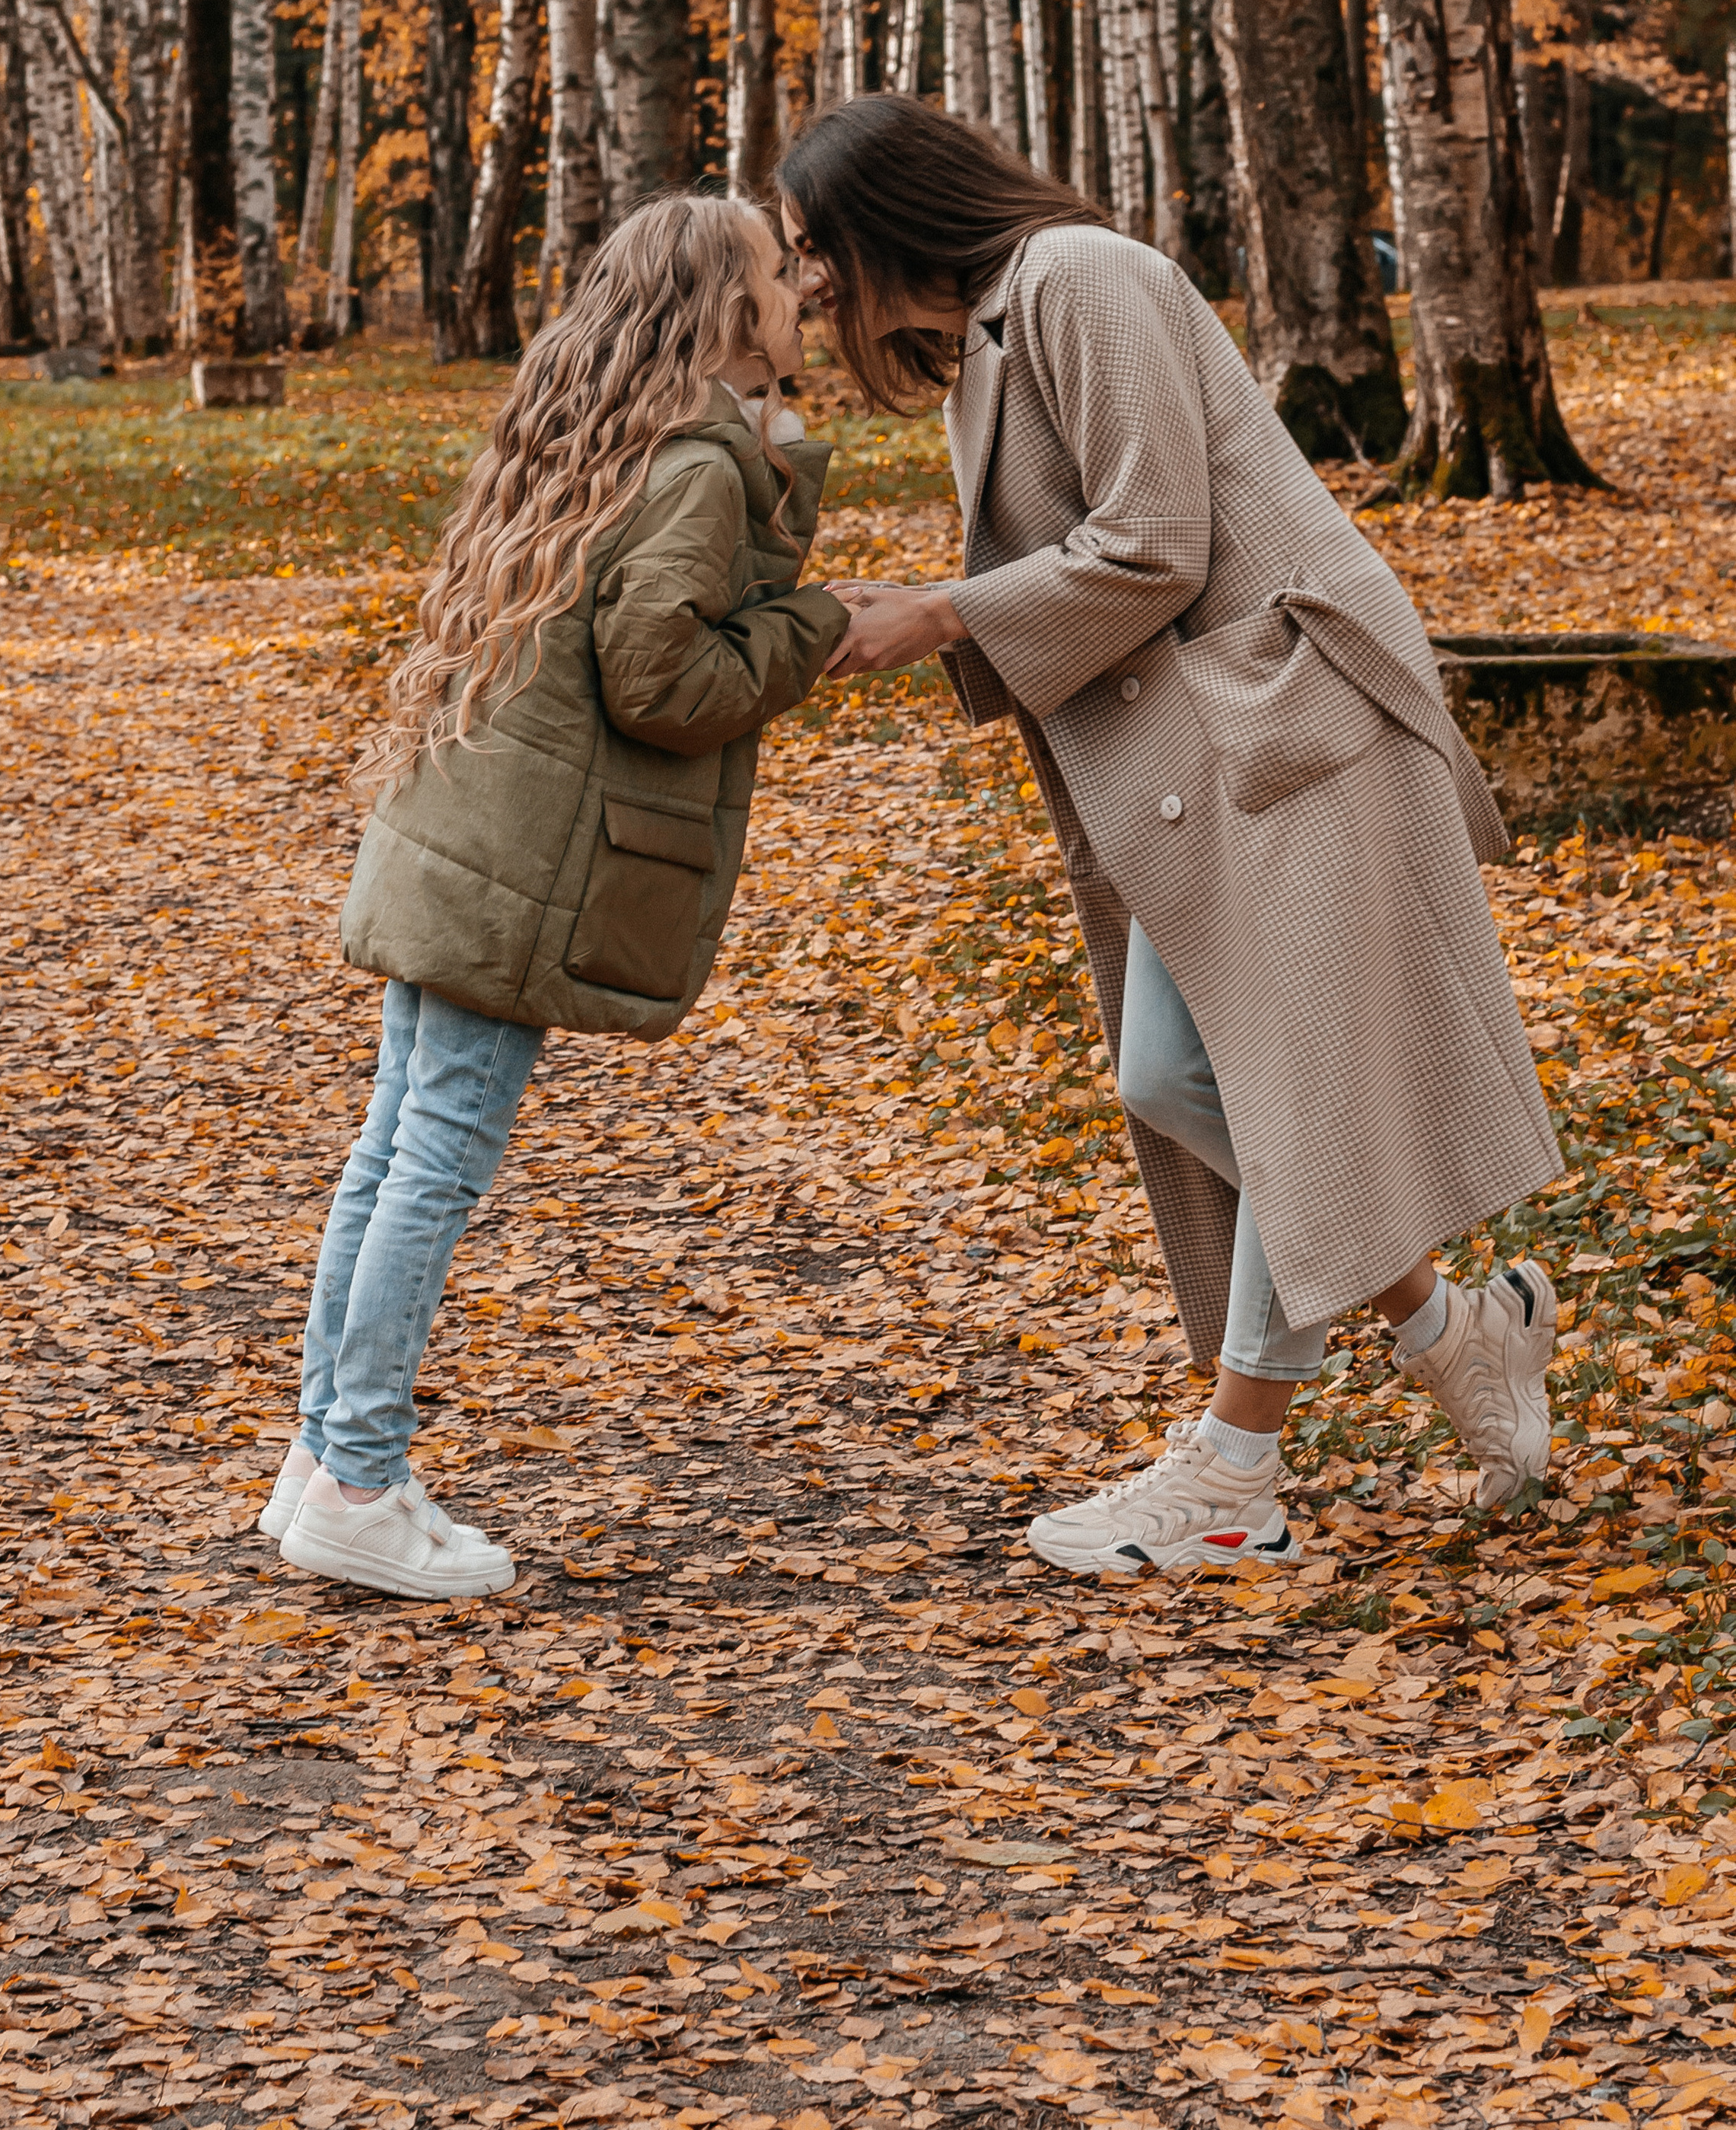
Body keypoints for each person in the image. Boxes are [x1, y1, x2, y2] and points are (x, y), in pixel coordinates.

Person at [780, 96, 1562, 1584]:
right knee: (1180, 1073)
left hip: (1285, 728)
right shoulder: (1001, 330)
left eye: (819, 246)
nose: (812, 282)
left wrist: (936, 614)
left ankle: (1235, 1472)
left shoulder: (1080, 277)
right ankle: (1456, 1334)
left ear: (893, 215)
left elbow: (1155, 542)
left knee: (1265, 1077)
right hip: (1205, 763)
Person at [258, 195, 846, 1601]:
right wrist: (818, 625)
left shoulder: (589, 436)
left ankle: (325, 1457)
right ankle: (356, 1476)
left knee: (393, 1146)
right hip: (521, 867)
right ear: (719, 311)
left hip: (462, 835)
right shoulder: (695, 467)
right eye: (777, 273)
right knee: (437, 1156)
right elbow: (664, 682)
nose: (803, 289)